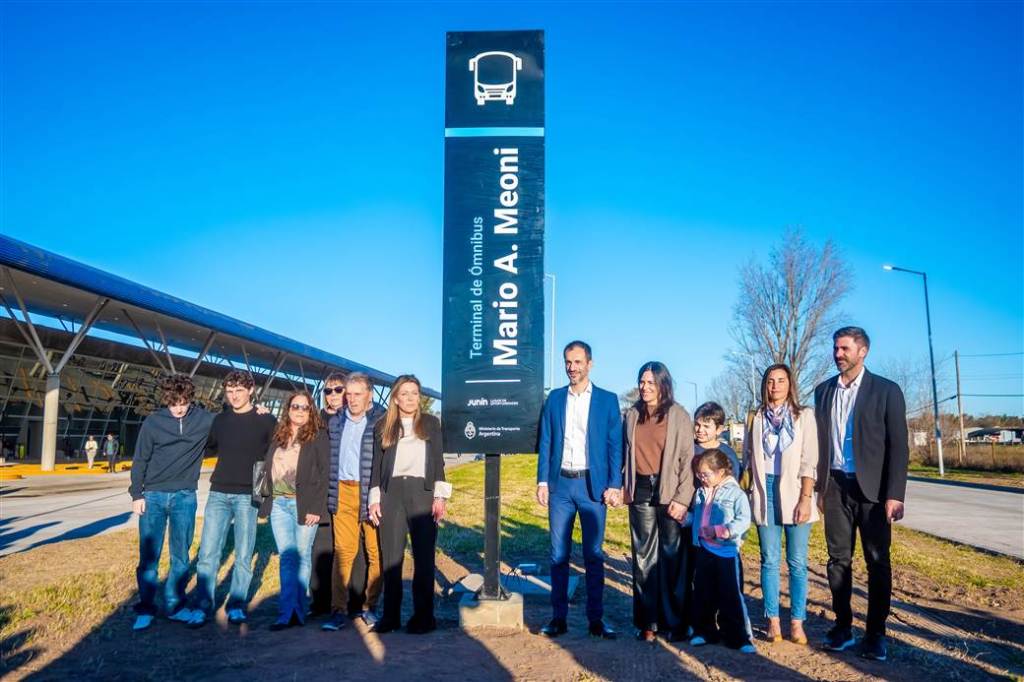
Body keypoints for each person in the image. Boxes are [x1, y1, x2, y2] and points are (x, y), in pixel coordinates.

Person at [815, 327, 908, 661]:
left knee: (877, 562)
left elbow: (899, 446)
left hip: (873, 491)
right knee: (838, 560)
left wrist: (895, 493)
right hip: (835, 485)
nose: (838, 354)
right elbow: (819, 443)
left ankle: (875, 634)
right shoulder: (822, 391)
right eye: (835, 348)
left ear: (863, 351)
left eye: (844, 348)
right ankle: (842, 627)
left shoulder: (886, 390)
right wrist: (818, 486)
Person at [536, 340, 623, 640]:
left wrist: (615, 484)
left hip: (592, 488)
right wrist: (542, 481)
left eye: (577, 362)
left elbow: (615, 446)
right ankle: (558, 618)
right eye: (568, 362)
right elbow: (546, 439)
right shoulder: (555, 399)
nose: (572, 368)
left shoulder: (608, 400)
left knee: (593, 554)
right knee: (558, 554)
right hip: (560, 487)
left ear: (590, 363)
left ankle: (595, 620)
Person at [185, 371, 276, 628]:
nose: (234, 395)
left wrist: (263, 496)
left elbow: (273, 455)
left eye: (239, 390)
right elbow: (209, 448)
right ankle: (203, 605)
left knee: (244, 553)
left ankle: (236, 604)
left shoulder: (266, 420)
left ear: (251, 391)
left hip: (248, 495)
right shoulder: (220, 420)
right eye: (230, 391)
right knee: (208, 552)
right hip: (219, 493)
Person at [128, 374, 215, 631]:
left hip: (184, 496)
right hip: (152, 496)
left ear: (190, 399)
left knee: (181, 556)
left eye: (183, 402)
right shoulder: (153, 422)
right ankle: (146, 608)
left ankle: (175, 605)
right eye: (173, 402)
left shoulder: (204, 419)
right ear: (166, 400)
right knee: (149, 558)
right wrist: (137, 495)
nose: (178, 408)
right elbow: (140, 460)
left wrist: (258, 409)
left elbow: (232, 422)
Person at [368, 375, 451, 635]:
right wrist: (374, 499)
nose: (410, 398)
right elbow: (375, 467)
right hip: (391, 493)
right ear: (395, 397)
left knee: (424, 558)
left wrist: (440, 497)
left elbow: (438, 461)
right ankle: (390, 616)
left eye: (414, 393)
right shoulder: (383, 426)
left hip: (422, 493)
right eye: (404, 394)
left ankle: (423, 617)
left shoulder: (431, 423)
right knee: (391, 559)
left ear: (420, 397)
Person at [744, 364, 819, 645]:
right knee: (769, 560)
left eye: (781, 380)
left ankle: (797, 622)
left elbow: (810, 460)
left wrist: (805, 498)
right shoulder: (756, 417)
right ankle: (773, 620)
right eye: (770, 381)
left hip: (796, 491)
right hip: (766, 493)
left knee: (797, 562)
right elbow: (748, 458)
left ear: (790, 385)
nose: (775, 386)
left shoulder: (804, 416)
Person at [621, 361, 695, 642]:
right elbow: (625, 454)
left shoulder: (678, 415)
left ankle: (675, 622)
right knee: (643, 559)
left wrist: (682, 499)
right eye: (642, 381)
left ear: (664, 384)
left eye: (651, 382)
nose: (645, 387)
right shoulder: (631, 415)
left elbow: (688, 461)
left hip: (670, 491)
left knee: (673, 558)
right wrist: (621, 487)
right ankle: (648, 622)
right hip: (640, 489)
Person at [260, 390, 329, 630]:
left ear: (311, 411)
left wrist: (316, 508)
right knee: (288, 558)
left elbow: (324, 475)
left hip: (304, 506)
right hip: (279, 504)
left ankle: (298, 612)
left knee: (302, 557)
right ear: (288, 409)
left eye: (305, 407)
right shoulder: (278, 435)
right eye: (295, 406)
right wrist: (262, 501)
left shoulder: (318, 437)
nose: (299, 411)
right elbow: (264, 466)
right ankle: (286, 612)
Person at [322, 372, 386, 632]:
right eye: (348, 394)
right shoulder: (336, 421)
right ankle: (338, 610)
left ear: (369, 394)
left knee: (374, 553)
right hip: (343, 492)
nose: (352, 399)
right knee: (343, 553)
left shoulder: (381, 420)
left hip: (369, 494)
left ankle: (370, 607)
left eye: (357, 394)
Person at [688, 449, 755, 654]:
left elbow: (744, 520)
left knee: (730, 595)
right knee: (702, 593)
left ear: (721, 472)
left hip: (726, 553)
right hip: (704, 550)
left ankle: (738, 637)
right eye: (699, 475)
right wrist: (686, 520)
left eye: (705, 475)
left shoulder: (736, 494)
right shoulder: (701, 492)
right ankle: (704, 631)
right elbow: (698, 517)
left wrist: (722, 531)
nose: (701, 479)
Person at [309, 372, 347, 617]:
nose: (332, 395)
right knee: (321, 549)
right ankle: (319, 602)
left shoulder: (353, 420)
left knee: (344, 548)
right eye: (328, 391)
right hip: (320, 494)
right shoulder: (316, 420)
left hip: (346, 491)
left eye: (338, 390)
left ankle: (344, 602)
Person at [693, 402, 742, 479]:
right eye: (697, 425)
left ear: (719, 429)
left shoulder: (727, 453)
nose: (700, 430)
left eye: (706, 426)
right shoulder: (688, 449)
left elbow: (734, 480)